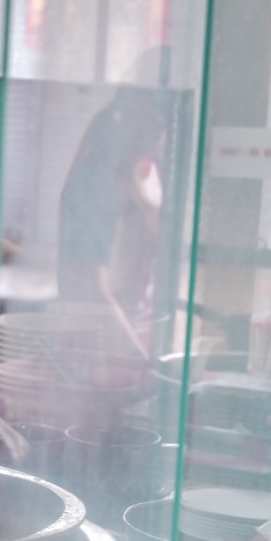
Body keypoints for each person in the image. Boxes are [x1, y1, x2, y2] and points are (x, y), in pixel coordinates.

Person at [57, 86, 170, 358]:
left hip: (145, 332)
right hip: (104, 344)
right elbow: (89, 288)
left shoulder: (155, 167)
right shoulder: (96, 182)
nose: (159, 129)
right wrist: (144, 366)